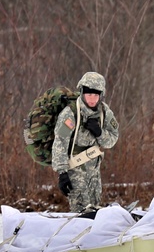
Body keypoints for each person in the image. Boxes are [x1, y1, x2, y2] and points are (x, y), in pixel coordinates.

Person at [51, 71, 120, 212]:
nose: (92, 99)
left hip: (94, 171)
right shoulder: (71, 113)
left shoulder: (104, 112)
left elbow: (113, 139)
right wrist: (62, 173)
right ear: (82, 93)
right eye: (89, 95)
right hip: (75, 169)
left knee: (95, 207)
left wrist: (100, 133)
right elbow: (60, 142)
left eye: (96, 95)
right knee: (81, 212)